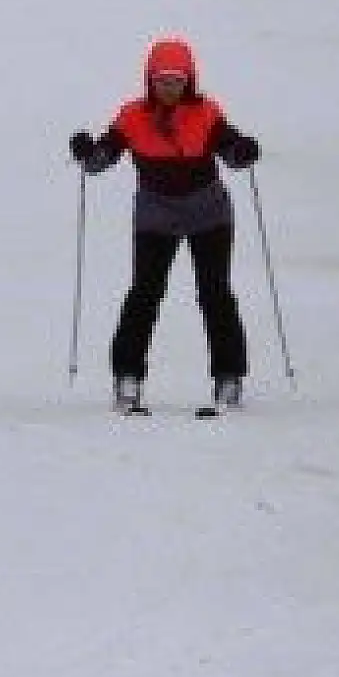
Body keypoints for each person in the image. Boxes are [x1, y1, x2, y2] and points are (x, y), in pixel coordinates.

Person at [68, 37, 260, 412]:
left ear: (189, 80)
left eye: (176, 80)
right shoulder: (132, 116)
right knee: (145, 293)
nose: (169, 87)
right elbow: (101, 160)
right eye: (161, 80)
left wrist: (243, 151)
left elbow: (232, 152)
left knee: (215, 293)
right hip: (156, 215)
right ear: (149, 80)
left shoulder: (206, 113)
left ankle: (229, 377)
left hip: (208, 214)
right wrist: (88, 153)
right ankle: (127, 377)